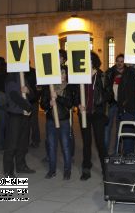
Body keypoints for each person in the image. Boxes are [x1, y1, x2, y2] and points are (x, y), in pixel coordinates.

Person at [41, 66, 77, 180]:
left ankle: (67, 171)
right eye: (61, 73)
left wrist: (58, 98)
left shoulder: (69, 87)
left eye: (65, 73)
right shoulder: (49, 87)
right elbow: (43, 104)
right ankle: (52, 170)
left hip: (64, 121)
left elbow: (70, 103)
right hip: (51, 121)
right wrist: (49, 104)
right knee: (52, 146)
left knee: (66, 146)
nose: (64, 75)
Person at [78, 51, 107, 181]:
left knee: (100, 142)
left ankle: (105, 170)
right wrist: (78, 103)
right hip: (84, 113)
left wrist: (99, 101)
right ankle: (86, 168)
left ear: (94, 61)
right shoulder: (79, 76)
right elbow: (74, 93)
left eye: (89, 60)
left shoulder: (101, 76)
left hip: (98, 113)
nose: (86, 62)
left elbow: (109, 94)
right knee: (86, 142)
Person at [3, 72, 36, 177]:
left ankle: (21, 165)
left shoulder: (23, 76)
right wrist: (27, 108)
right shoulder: (11, 77)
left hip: (25, 115)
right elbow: (14, 96)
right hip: (15, 115)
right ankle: (8, 171)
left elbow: (32, 96)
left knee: (23, 143)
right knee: (12, 144)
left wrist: (28, 91)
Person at [104, 53, 126, 152]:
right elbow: (105, 88)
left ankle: (117, 151)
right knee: (107, 128)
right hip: (111, 104)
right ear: (116, 61)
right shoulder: (109, 72)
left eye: (122, 62)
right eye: (118, 61)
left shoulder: (128, 73)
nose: (120, 63)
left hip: (122, 105)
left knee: (119, 129)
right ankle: (105, 151)